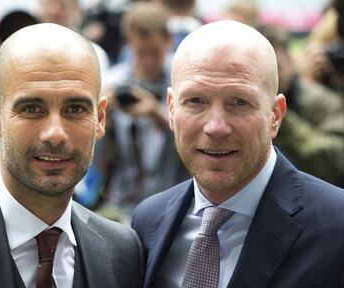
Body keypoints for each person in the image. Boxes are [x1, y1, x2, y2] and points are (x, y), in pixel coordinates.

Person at [132, 20, 344, 288]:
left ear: (275, 115)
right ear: (172, 109)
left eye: (239, 102)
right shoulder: (148, 220)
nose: (216, 127)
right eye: (196, 101)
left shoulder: (337, 226)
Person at [0, 23, 143, 288]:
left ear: (100, 118)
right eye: (31, 108)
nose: (55, 134)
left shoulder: (123, 251)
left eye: (75, 109)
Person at [95, 1, 188, 222]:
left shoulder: (183, 80)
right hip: (121, 204)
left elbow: (197, 139)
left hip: (174, 201)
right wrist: (100, 119)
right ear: (129, 44)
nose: (148, 61)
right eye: (140, 52)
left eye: (155, 53)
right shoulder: (114, 83)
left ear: (169, 41)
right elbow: (94, 162)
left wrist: (157, 114)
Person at [258, 23, 344, 186]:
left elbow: (334, 160)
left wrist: (282, 118)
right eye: (259, 71)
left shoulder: (321, 101)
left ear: (291, 62)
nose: (268, 78)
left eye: (276, 68)